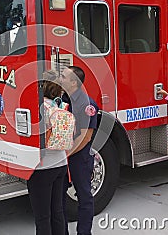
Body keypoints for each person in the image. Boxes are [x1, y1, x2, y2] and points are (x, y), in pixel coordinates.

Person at [26, 70, 68, 235]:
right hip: (61, 163)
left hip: (43, 167)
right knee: (57, 212)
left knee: (42, 217)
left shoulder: (40, 107)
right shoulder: (60, 104)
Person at [60, 66, 99, 235]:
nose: (60, 79)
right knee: (59, 197)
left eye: (64, 76)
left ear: (73, 82)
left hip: (79, 157)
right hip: (62, 156)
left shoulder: (87, 104)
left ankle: (84, 232)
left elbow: (86, 137)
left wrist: (67, 154)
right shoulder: (63, 99)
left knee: (84, 197)